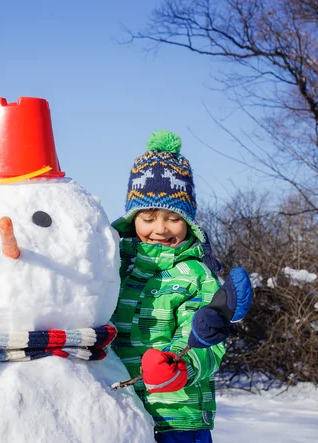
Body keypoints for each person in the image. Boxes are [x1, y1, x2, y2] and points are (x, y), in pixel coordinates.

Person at [110, 130, 223, 443]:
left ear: (188, 221)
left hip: (178, 417)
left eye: (172, 217)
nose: (159, 228)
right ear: (133, 218)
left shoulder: (196, 274)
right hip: (122, 412)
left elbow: (205, 336)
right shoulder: (115, 265)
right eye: (148, 216)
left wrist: (179, 364)